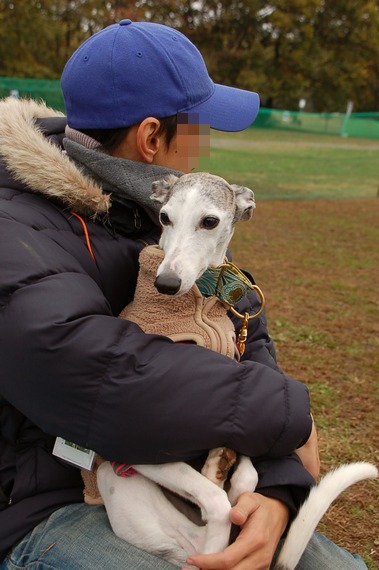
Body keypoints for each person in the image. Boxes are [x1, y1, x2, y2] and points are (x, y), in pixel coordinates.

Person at [0, 19, 367, 570]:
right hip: (50, 502)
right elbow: (91, 371)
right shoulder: (15, 225)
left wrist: (277, 486)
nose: (207, 144)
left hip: (195, 469)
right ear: (152, 138)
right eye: (199, 127)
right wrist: (283, 413)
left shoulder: (170, 211)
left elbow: (245, 330)